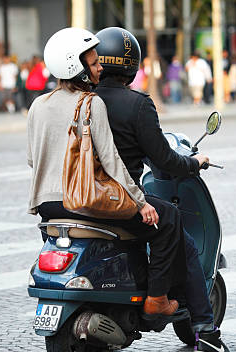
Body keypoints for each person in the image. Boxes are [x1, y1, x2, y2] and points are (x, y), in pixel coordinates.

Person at [94, 26, 236, 352]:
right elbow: (162, 159)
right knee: (176, 229)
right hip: (121, 199)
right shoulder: (137, 104)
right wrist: (193, 163)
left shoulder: (83, 100)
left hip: (78, 199)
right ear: (132, 65)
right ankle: (203, 331)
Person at [28, 27, 186, 319]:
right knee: (167, 220)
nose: (100, 66)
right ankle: (157, 300)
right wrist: (141, 202)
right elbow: (112, 162)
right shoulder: (91, 103)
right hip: (84, 201)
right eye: (93, 62)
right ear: (77, 67)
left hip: (47, 207)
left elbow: (32, 158)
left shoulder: (38, 105)